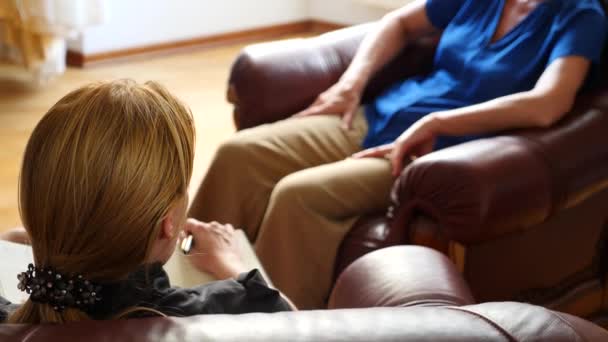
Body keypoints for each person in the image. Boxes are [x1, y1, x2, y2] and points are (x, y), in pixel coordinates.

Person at [187, 0, 608, 309]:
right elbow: (399, 22)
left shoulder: (579, 15)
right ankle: (178, 293)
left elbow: (550, 101)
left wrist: (439, 123)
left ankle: (265, 324)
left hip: (429, 150)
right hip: (377, 116)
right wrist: (351, 83)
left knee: (297, 195)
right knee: (239, 154)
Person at [0, 80, 293, 324]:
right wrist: (230, 263)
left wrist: (48, 240)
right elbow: (300, 326)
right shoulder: (231, 313)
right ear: (167, 223)